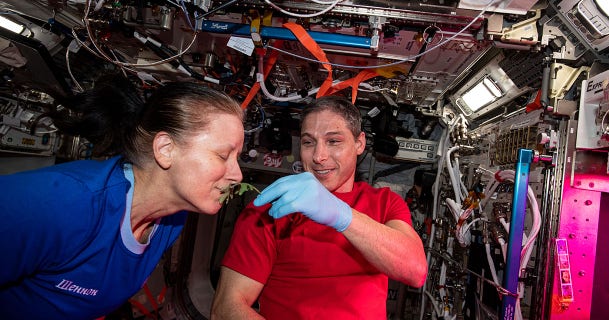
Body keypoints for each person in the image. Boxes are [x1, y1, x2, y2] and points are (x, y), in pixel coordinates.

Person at [0, 76, 245, 319]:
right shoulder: (62, 203)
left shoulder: (171, 221)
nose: (238, 175)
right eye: (224, 156)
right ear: (165, 149)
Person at [212, 96, 427, 319]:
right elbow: (226, 309)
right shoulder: (270, 209)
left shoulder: (385, 203)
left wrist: (341, 215)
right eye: (308, 142)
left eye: (333, 141)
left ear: (359, 143)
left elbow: (416, 270)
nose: (318, 156)